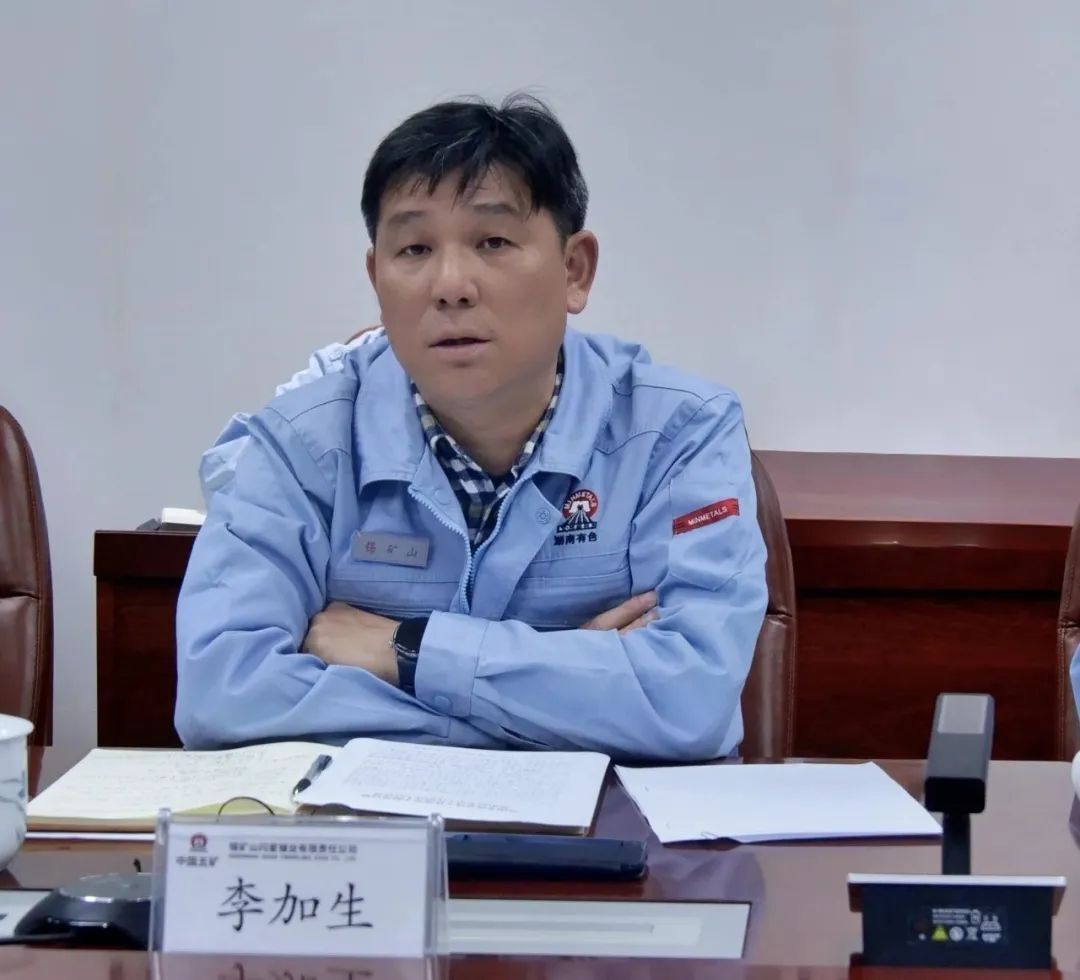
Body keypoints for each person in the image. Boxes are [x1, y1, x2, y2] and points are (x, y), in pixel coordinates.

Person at [175, 95, 768, 761]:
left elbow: (691, 699)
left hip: (617, 824)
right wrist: (562, 702)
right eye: (414, 248)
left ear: (574, 270)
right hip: (375, 824)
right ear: (376, 278)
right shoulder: (299, 443)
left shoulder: (679, 434)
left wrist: (407, 650)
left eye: (493, 242)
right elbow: (221, 695)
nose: (451, 285)